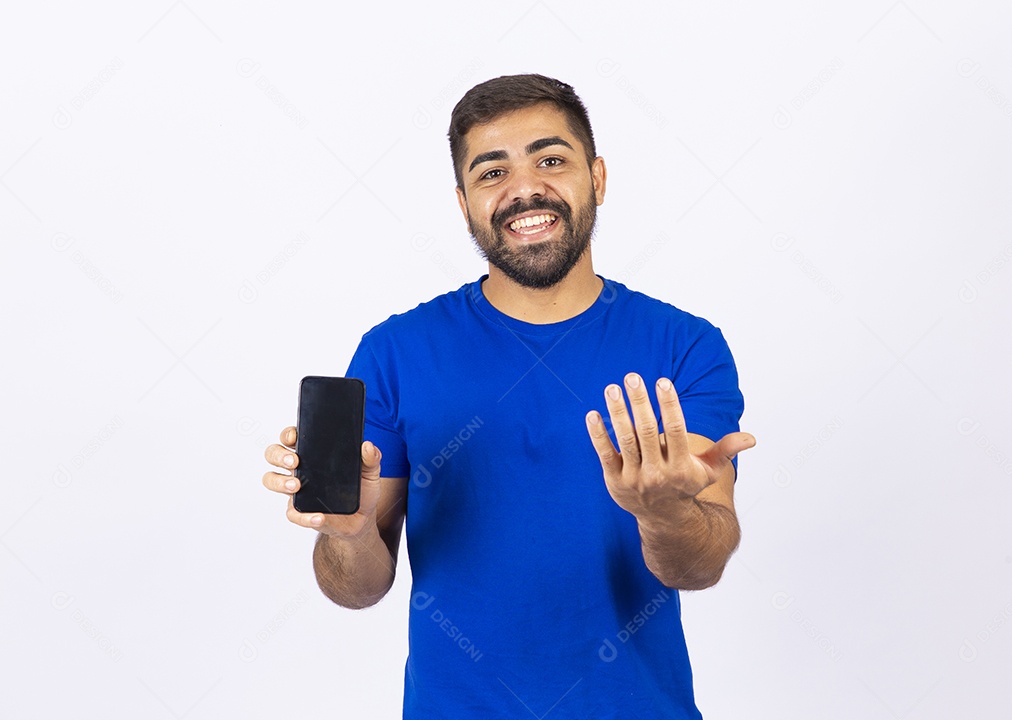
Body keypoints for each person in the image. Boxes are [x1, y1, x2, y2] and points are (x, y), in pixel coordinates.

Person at [263, 73, 755, 718]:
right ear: (464, 202)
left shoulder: (684, 347)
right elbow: (356, 590)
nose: (525, 188)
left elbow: (700, 565)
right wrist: (352, 535)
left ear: (598, 178)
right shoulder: (394, 352)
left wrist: (661, 511)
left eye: (551, 160)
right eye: (492, 173)